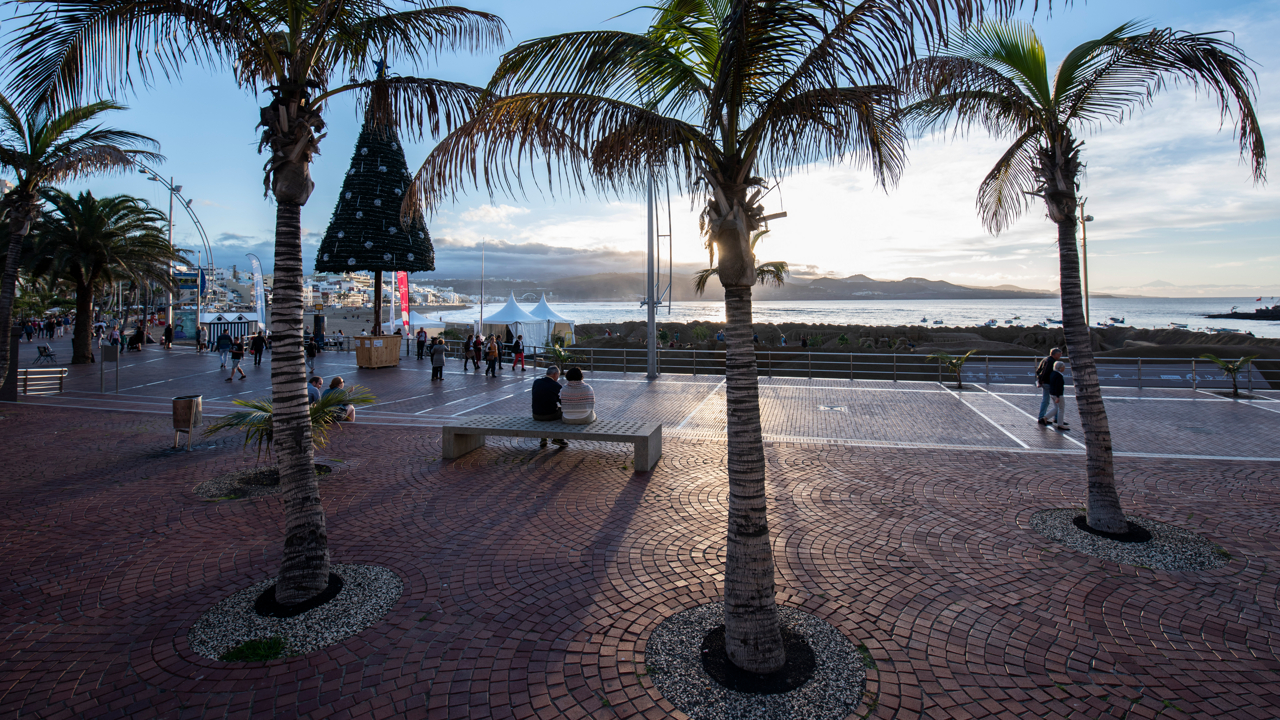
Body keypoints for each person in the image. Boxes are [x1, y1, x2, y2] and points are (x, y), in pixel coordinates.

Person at [532, 365, 567, 447]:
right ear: (555, 374)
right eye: (558, 375)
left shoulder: (536, 382)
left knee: (544, 407)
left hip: (536, 414)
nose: (557, 377)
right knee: (563, 412)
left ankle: (543, 438)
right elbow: (563, 403)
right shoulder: (556, 385)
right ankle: (558, 438)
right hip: (550, 415)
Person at [1035, 348, 1064, 426]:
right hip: (1048, 383)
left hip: (1045, 383)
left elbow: (1038, 370)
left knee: (1047, 400)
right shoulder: (1051, 362)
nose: (1060, 356)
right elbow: (1045, 372)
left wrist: (1039, 380)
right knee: (1053, 401)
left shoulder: (1045, 360)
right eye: (1059, 354)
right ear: (1054, 354)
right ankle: (1048, 418)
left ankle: (1048, 417)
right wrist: (1042, 380)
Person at [1048, 360, 1069, 431]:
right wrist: (1058, 396)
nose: (1064, 368)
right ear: (1060, 368)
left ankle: (1045, 418)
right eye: (1063, 367)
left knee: (1056, 408)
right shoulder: (1059, 376)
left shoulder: (1052, 373)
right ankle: (1060, 424)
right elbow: (1058, 387)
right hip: (1058, 395)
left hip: (1052, 393)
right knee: (1061, 408)